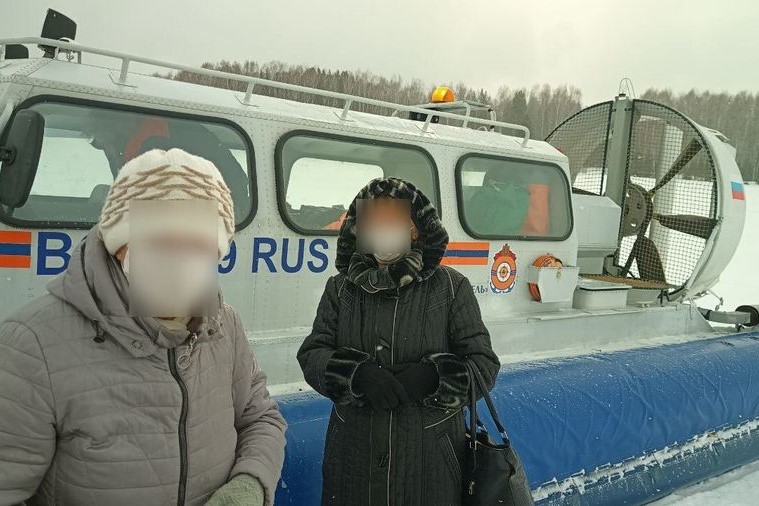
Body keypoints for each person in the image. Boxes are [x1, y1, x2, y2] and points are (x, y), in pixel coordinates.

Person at [0, 148, 286, 506]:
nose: (180, 261)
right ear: (119, 245)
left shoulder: (224, 325)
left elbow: (260, 419)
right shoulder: (32, 344)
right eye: (160, 241)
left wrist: (250, 484)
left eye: (198, 245)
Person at [297, 177, 500, 505]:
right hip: (352, 464)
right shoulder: (340, 288)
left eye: (392, 219)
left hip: (430, 467)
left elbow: (484, 364)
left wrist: (434, 377)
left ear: (416, 229)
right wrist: (356, 375)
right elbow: (312, 354)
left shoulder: (451, 288)